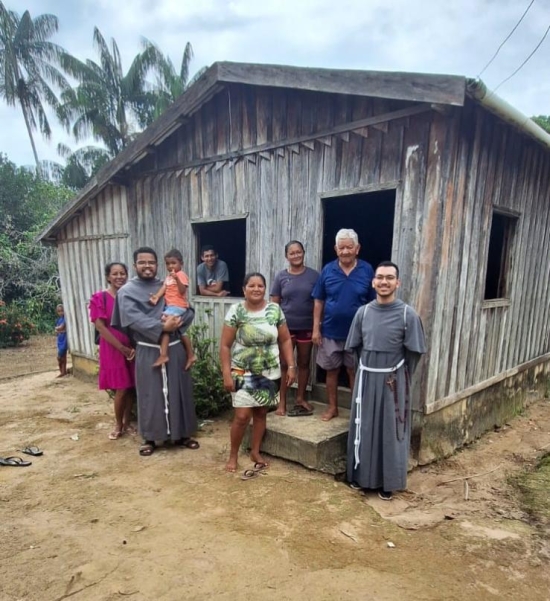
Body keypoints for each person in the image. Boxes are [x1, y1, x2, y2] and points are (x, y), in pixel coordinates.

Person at [345, 261, 426, 500]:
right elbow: (355, 347)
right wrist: (366, 373)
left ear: (397, 282)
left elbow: (414, 353)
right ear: (373, 282)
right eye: (380, 277)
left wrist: (397, 376)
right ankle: (361, 478)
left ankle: (387, 483)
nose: (384, 282)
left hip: (393, 381)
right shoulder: (364, 312)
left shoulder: (407, 315)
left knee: (391, 430)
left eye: (389, 278)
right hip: (367, 378)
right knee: (365, 426)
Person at [111, 247, 199, 456]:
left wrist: (176, 322)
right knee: (150, 394)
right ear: (135, 265)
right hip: (148, 348)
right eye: (142, 262)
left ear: (157, 264)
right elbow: (133, 318)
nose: (147, 266)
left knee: (180, 390)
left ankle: (183, 434)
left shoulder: (167, 284)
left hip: (175, 347)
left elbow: (186, 308)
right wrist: (161, 328)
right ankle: (150, 437)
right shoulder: (127, 292)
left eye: (151, 262)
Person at [220, 272, 296, 473]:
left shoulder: (274, 310)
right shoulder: (236, 311)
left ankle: (255, 451)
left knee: (261, 412)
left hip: (269, 371)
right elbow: (225, 346)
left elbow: (286, 339)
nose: (256, 289)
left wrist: (291, 365)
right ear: (244, 289)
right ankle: (233, 455)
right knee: (242, 416)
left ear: (265, 289)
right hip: (242, 370)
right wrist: (226, 374)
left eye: (260, 286)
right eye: (251, 286)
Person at [312, 229, 375, 421]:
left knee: (354, 371)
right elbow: (319, 301)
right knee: (331, 371)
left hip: (358, 333)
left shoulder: (367, 270)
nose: (345, 251)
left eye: (349, 247)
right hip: (330, 331)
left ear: (357, 248)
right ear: (335, 249)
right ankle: (333, 408)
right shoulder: (328, 270)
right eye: (342, 247)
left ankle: (357, 409)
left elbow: (373, 303)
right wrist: (316, 328)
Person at [270, 240, 319, 416]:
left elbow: (319, 302)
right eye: (292, 253)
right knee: (284, 364)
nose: (296, 255)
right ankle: (282, 402)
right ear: (286, 256)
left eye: (299, 252)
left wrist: (316, 327)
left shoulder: (314, 276)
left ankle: (300, 398)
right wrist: (273, 326)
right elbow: (274, 303)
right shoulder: (281, 277)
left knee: (304, 363)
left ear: (304, 253)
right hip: (286, 328)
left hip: (306, 326)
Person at [89, 262, 136, 440]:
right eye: (115, 274)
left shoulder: (130, 298)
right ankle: (118, 423)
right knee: (121, 388)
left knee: (131, 387)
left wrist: (132, 347)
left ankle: (127, 422)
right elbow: (101, 327)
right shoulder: (99, 298)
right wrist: (122, 348)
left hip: (132, 348)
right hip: (113, 349)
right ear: (108, 277)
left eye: (122, 273)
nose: (119, 277)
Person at [149, 249, 196, 370]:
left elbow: (182, 291)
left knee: (165, 327)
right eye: (168, 263)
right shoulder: (168, 277)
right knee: (182, 331)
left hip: (178, 306)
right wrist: (156, 297)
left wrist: (177, 279)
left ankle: (164, 355)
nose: (171, 266)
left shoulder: (181, 275)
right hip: (170, 306)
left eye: (173, 263)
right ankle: (191, 355)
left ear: (181, 263)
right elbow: (164, 288)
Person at [54, 304, 68, 377]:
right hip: (60, 339)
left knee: (60, 356)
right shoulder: (58, 320)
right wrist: (57, 330)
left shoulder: (65, 319)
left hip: (64, 338)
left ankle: (63, 371)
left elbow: (61, 327)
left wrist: (57, 329)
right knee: (62, 356)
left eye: (62, 311)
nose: (61, 313)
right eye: (59, 311)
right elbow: (58, 330)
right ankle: (63, 371)